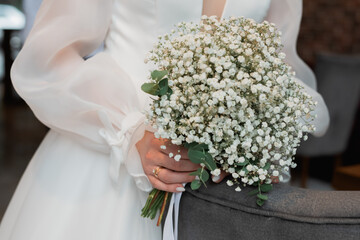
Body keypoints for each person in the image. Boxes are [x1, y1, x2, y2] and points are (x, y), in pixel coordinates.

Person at [0, 0, 329, 239]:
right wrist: (130, 132)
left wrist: (248, 137)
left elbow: (276, 65)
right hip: (108, 153)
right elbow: (47, 59)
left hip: (222, 178)